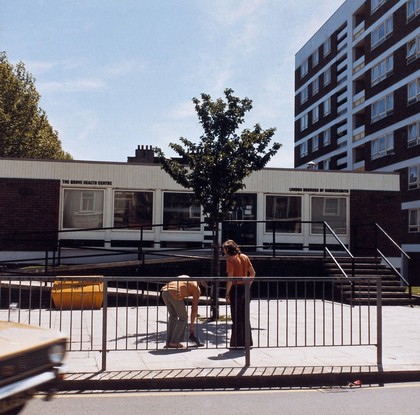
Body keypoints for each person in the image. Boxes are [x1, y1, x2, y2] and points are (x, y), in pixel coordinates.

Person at [222, 239, 256, 349]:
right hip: (245, 288)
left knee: (236, 316)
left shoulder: (230, 260)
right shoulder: (244, 257)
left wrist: (227, 293)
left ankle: (236, 343)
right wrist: (248, 285)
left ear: (227, 249)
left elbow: (230, 278)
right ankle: (247, 342)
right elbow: (253, 273)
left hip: (236, 289)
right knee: (245, 316)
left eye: (224, 249)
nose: (223, 251)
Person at [161, 275, 204, 349]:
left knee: (173, 316)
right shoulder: (197, 289)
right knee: (183, 317)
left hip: (164, 292)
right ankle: (174, 342)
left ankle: (169, 342)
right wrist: (191, 326)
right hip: (174, 293)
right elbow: (194, 309)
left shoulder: (186, 277)